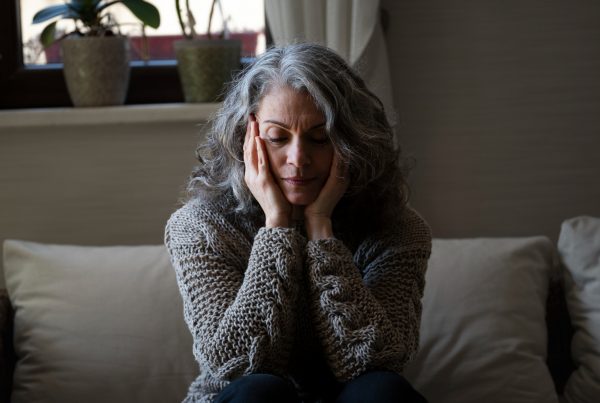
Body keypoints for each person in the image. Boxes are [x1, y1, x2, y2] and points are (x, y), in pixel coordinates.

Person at [165, 42, 431, 403]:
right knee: (259, 390)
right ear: (247, 139)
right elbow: (235, 365)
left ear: (351, 141)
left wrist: (321, 230)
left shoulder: (397, 230)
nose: (298, 158)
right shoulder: (200, 228)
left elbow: (376, 360)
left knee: (381, 390)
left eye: (320, 138)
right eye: (277, 138)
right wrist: (276, 228)